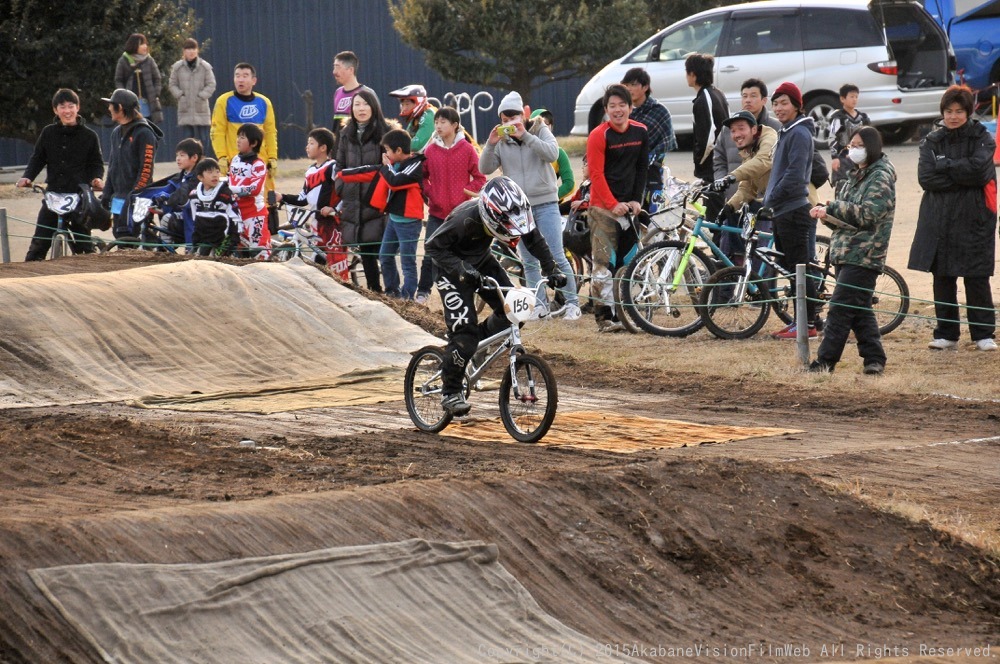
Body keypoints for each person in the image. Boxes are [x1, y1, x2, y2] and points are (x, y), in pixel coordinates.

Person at [425, 177, 566, 416]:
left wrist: (551, 268)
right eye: (507, 228)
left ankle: (476, 347)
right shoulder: (464, 220)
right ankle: (450, 391)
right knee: (464, 334)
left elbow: (533, 238)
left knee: (515, 312)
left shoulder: (514, 211)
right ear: (491, 215)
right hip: (451, 271)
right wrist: (460, 268)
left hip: (481, 262)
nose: (513, 234)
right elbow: (432, 247)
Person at [908, 84, 998, 351]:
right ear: (942, 112)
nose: (954, 116)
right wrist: (961, 175)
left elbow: (980, 173)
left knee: (977, 276)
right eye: (949, 111)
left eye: (959, 111)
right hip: (940, 218)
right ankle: (946, 333)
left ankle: (983, 334)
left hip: (975, 218)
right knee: (943, 277)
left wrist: (945, 166)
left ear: (968, 112)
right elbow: (926, 178)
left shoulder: (983, 137)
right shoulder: (932, 141)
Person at [480, 91, 581, 320]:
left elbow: (552, 152)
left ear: (524, 114)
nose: (509, 124)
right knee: (529, 260)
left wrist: (525, 135)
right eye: (504, 120)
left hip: (545, 202)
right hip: (518, 209)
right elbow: (484, 168)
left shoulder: (540, 129)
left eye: (514, 117)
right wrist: (490, 143)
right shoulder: (501, 141)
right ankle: (540, 306)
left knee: (556, 254)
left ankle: (572, 303)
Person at [808, 126, 896, 374]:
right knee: (859, 309)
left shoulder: (880, 176)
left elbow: (869, 214)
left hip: (866, 253)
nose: (853, 150)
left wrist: (833, 207)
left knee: (840, 308)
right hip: (845, 250)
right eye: (851, 146)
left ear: (872, 147)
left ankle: (825, 362)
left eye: (859, 146)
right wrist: (825, 213)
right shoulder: (853, 175)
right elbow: (843, 215)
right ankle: (874, 359)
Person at [586, 84, 648, 333]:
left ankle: (626, 312)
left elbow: (642, 169)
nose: (618, 110)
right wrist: (613, 205)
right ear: (606, 109)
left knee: (629, 262)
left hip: (630, 208)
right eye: (612, 106)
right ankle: (604, 318)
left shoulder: (641, 132)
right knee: (603, 265)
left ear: (631, 107)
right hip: (603, 209)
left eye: (622, 105)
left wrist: (636, 200)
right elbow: (596, 175)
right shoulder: (598, 135)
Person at [16, 89, 105, 260]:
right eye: (62, 107)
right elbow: (37, 158)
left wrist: (97, 178)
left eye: (71, 106)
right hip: (53, 194)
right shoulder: (48, 133)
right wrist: (27, 177)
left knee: (84, 248)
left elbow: (96, 163)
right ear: (55, 110)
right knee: (38, 244)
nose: (67, 111)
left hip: (79, 196)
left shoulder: (89, 136)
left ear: (78, 108)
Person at [761, 81, 818, 339]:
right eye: (775, 103)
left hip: (794, 209)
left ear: (797, 105)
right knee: (793, 270)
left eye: (784, 102)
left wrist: (771, 198)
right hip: (783, 210)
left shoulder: (799, 133)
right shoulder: (787, 131)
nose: (779, 108)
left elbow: (795, 176)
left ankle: (808, 325)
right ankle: (801, 322)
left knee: (799, 270)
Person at [416, 106, 486, 304]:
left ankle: (466, 292)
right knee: (430, 252)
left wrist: (465, 192)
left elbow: (480, 177)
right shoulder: (430, 150)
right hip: (437, 214)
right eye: (436, 122)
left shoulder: (467, 149)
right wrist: (431, 193)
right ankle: (423, 293)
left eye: (443, 122)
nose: (438, 125)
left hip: (461, 215)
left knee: (462, 254)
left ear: (455, 125)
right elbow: (422, 177)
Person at [335, 88, 390, 292]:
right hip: (352, 198)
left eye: (365, 104)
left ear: (374, 106)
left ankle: (391, 291)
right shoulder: (345, 133)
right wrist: (341, 187)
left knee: (382, 250)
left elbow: (388, 166)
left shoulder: (385, 132)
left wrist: (378, 189)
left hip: (377, 199)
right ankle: (375, 291)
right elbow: (339, 164)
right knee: (365, 249)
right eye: (357, 104)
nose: (361, 108)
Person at [708, 110, 778, 262]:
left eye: (741, 128)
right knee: (732, 225)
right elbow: (747, 188)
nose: (736, 134)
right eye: (733, 131)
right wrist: (729, 207)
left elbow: (763, 161)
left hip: (793, 203)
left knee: (766, 257)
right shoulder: (748, 150)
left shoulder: (769, 136)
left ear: (754, 129)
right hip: (773, 203)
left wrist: (731, 177)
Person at [277, 128, 343, 271]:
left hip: (331, 222)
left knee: (329, 262)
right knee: (318, 262)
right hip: (316, 222)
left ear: (323, 148)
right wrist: (282, 197)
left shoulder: (333, 167)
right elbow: (302, 199)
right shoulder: (310, 170)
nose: (307, 147)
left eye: (311, 143)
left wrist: (334, 209)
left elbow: (345, 192)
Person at [100, 88, 162, 238]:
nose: (109, 108)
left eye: (111, 104)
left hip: (137, 201)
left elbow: (146, 171)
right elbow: (113, 167)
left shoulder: (144, 133)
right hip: (118, 198)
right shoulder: (116, 133)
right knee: (119, 237)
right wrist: (107, 194)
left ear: (120, 107)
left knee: (134, 239)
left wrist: (133, 197)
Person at [210, 63, 278, 194]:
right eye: (237, 76)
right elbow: (217, 132)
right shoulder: (223, 101)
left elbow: (270, 132)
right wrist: (222, 156)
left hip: (260, 161)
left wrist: (272, 157)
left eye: (245, 76)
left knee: (265, 200)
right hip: (234, 162)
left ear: (254, 80)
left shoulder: (264, 102)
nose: (240, 79)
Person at [713, 79, 781, 203]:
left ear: (764, 100)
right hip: (733, 198)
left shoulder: (775, 128)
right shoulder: (727, 129)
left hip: (763, 201)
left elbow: (765, 161)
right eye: (744, 96)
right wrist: (723, 182)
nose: (748, 100)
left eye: (753, 96)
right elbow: (719, 161)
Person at [621, 67, 676, 212]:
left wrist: (645, 160)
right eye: (626, 85)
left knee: (654, 216)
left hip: (652, 173)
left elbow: (666, 142)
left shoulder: (659, 111)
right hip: (626, 173)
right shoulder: (624, 111)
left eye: (633, 85)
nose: (629, 89)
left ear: (645, 87)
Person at [151, 137, 203, 248]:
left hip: (195, 217)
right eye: (177, 155)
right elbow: (167, 190)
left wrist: (168, 199)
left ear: (194, 157)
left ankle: (166, 250)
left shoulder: (199, 177)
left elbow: (182, 193)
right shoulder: (180, 177)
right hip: (183, 214)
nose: (178, 159)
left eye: (182, 155)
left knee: (167, 219)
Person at [228, 123, 270, 258]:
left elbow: (255, 189)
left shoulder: (258, 164)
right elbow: (230, 180)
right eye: (238, 136)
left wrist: (231, 190)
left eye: (242, 137)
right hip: (236, 212)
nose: (238, 140)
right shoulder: (235, 159)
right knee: (237, 252)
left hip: (254, 215)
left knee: (261, 254)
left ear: (253, 143)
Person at [685, 53, 728, 184]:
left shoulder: (703, 99)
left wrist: (700, 162)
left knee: (712, 202)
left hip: (712, 166)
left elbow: (708, 137)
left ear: (692, 74)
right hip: (722, 161)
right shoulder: (718, 93)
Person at [168, 38, 216, 153]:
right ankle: (190, 162)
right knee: (187, 140)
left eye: (193, 48)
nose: (191, 51)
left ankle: (203, 160)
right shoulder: (177, 67)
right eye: (188, 49)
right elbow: (172, 84)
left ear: (197, 50)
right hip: (185, 108)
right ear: (184, 51)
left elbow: (211, 84)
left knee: (204, 139)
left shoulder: (205, 67)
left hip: (201, 108)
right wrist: (180, 95)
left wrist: (201, 96)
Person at [188, 158, 241, 256]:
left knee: (216, 260)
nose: (215, 175)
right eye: (210, 172)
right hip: (204, 237)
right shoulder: (194, 195)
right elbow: (195, 217)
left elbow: (235, 216)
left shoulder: (225, 194)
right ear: (200, 177)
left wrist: (234, 236)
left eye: (217, 172)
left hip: (223, 237)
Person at [530, 109, 576, 206]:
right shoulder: (522, 151)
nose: (544, 127)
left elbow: (569, 184)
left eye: (547, 124)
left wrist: (549, 198)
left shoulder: (559, 153)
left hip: (549, 205)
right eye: (541, 124)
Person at [114, 33, 163, 123]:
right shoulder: (123, 60)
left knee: (150, 127)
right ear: (134, 45)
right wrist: (123, 95)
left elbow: (157, 78)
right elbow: (118, 80)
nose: (145, 46)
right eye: (141, 44)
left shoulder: (149, 60)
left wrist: (156, 93)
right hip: (131, 103)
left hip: (148, 101)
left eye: (145, 44)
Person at [829, 84, 871, 187]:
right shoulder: (839, 118)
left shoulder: (863, 118)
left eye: (856, 97)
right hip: (843, 157)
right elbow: (832, 137)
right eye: (851, 96)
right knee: (842, 186)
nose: (854, 99)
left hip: (861, 157)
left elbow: (870, 137)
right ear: (842, 99)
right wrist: (835, 157)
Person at [331, 51, 373, 133]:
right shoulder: (338, 92)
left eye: (338, 67)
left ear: (350, 70)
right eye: (334, 67)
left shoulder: (367, 92)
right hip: (340, 144)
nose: (334, 72)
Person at [388, 84, 436, 152]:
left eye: (407, 104)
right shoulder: (416, 118)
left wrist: (395, 145)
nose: (404, 108)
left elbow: (417, 145)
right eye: (402, 105)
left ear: (418, 101)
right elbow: (407, 137)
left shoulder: (429, 115)